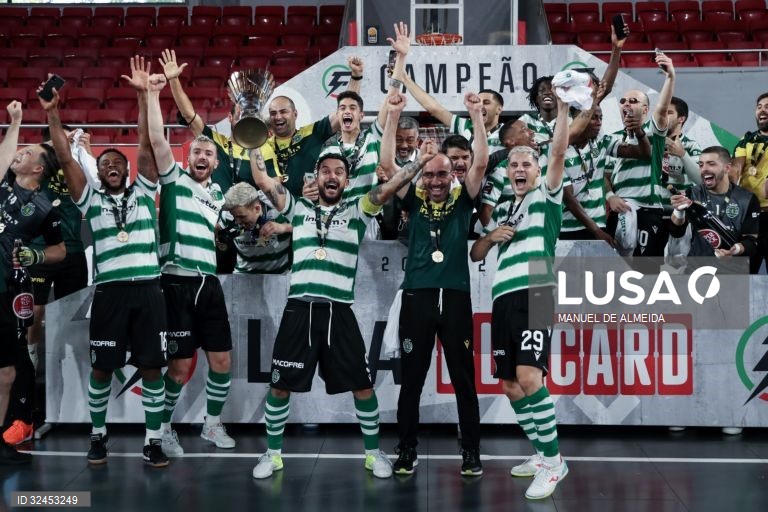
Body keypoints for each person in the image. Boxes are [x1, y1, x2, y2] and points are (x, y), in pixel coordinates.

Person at [249, 92, 439, 481]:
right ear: (315, 178)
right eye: (326, 171)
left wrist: (417, 164)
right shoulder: (298, 209)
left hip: (339, 310)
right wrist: (254, 142)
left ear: (346, 179)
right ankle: (272, 454)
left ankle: (373, 454)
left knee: (362, 386)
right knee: (280, 386)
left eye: (339, 172)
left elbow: (386, 191)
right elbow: (264, 180)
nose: (332, 176)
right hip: (299, 308)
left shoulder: (356, 209)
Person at [41, 58, 170, 468]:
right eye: (104, 163)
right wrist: (53, 114)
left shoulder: (146, 189)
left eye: (118, 162)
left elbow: (149, 143)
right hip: (111, 293)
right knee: (102, 371)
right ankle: (98, 435)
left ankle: (152, 440)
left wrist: (141, 96)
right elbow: (64, 160)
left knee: (152, 369)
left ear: (128, 169)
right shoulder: (90, 200)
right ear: (96, 171)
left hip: (149, 290)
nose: (111, 165)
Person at [469, 93, 570, 500]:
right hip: (503, 298)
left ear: (540, 169)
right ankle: (540, 454)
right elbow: (476, 251)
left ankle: (555, 461)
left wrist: (563, 111)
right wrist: (491, 237)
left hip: (537, 288)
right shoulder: (507, 209)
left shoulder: (547, 195)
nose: (519, 167)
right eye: (514, 164)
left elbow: (559, 149)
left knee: (530, 377)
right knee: (510, 385)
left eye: (527, 162)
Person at [386, 92, 488, 476]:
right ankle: (407, 450)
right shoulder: (413, 200)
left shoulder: (464, 201)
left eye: (442, 174)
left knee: (465, 379)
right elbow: (387, 164)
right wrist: (394, 118)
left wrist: (477, 116)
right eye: (429, 174)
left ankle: (471, 452)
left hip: (457, 298)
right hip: (418, 297)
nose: (435, 181)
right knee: (411, 381)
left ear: (453, 175)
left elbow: (480, 160)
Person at [145, 72, 238, 456]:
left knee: (222, 362)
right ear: (188, 158)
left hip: (209, 285)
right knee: (181, 369)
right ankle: (163, 428)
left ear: (215, 163)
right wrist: (153, 94)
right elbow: (154, 141)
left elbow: (230, 229)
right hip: (176, 283)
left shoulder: (219, 194)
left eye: (208, 153)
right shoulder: (175, 182)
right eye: (196, 152)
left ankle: (211, 425)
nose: (201, 157)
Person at [3, 127, 96, 446]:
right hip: (36, 252)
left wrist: (85, 153)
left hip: (71, 251)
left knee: (74, 326)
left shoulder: (73, 162)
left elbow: (91, 189)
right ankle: (29, 410)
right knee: (33, 321)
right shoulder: (32, 167)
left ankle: (78, 409)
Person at [0, 101, 66, 464]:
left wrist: (35, 257)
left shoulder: (44, 207)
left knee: (14, 359)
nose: (18, 153)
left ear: (38, 168)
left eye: (27, 153)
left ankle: (20, 421)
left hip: (10, 288)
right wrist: (15, 123)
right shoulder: (3, 181)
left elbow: (60, 250)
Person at [604, 52, 676, 258]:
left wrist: (670, 77)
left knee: (646, 271)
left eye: (633, 101)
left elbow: (662, 110)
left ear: (645, 109)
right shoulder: (611, 139)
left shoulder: (655, 133)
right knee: (615, 272)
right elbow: (604, 175)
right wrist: (611, 196)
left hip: (649, 210)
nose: (626, 104)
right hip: (620, 210)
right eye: (623, 101)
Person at [560, 104, 650, 245]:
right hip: (567, 228)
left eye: (601, 118)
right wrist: (596, 231)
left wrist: (639, 132)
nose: (599, 122)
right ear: (577, 119)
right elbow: (568, 198)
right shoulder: (559, 150)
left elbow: (643, 153)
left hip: (598, 225)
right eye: (593, 118)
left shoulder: (602, 142)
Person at [669, 146, 759, 259]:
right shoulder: (692, 193)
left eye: (711, 164)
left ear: (727, 168)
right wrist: (678, 211)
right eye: (701, 165)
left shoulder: (747, 199)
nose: (704, 169)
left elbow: (751, 243)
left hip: (732, 270)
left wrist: (734, 250)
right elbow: (676, 232)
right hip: (697, 268)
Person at [731, 92, 768, 274]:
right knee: (744, 274)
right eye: (759, 106)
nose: (763, 110)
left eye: (767, 106)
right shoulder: (746, 140)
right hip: (749, 217)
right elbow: (736, 170)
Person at [220, 182, 292, 274]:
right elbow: (216, 231)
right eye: (235, 217)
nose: (237, 222)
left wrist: (284, 228)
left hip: (280, 276)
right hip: (243, 276)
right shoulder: (228, 216)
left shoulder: (280, 208)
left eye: (242, 217)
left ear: (257, 209)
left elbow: (306, 225)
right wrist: (220, 241)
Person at [663, 97, 702, 191]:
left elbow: (701, 180)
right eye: (661, 112)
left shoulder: (691, 146)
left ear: (681, 119)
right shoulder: (648, 142)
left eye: (669, 113)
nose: (662, 116)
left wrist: (683, 155)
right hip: (651, 205)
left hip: (678, 204)